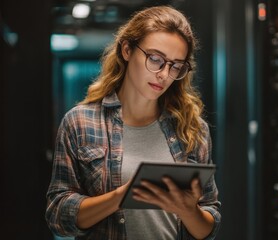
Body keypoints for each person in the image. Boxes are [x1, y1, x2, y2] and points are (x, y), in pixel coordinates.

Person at [45, 5, 221, 240]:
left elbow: (209, 227)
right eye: (156, 59)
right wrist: (122, 197)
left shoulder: (193, 129)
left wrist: (188, 211)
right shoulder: (79, 122)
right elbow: (58, 217)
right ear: (127, 50)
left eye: (176, 65)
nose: (164, 74)